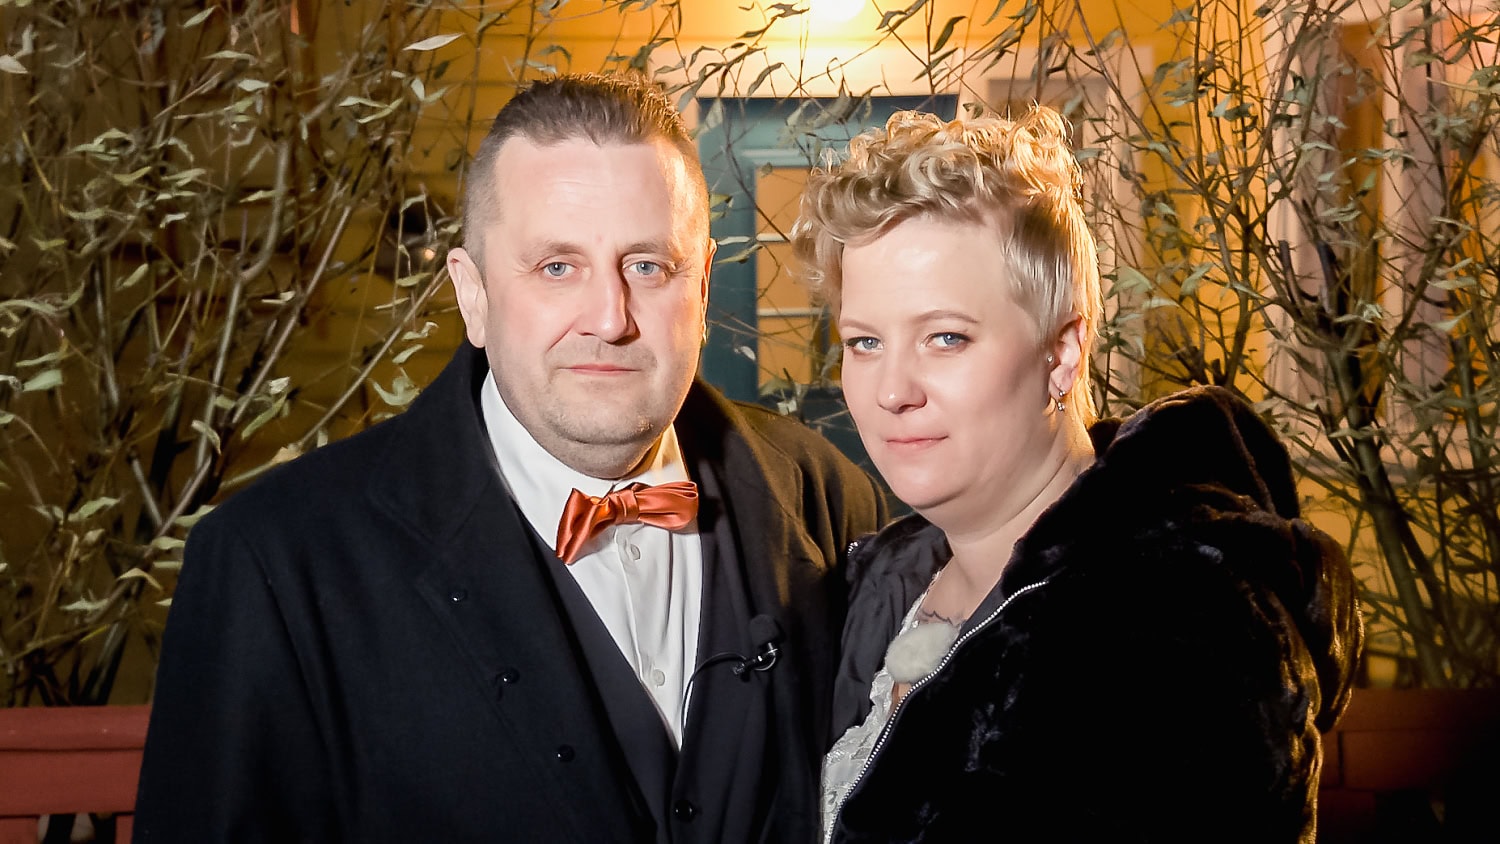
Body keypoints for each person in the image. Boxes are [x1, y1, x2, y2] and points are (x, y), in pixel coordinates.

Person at [133, 73, 887, 843]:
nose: (609, 319)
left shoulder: (826, 497)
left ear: (700, 290)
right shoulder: (272, 563)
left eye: (648, 266)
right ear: (474, 295)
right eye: (557, 267)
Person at [791, 107, 1364, 842]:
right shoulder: (878, 581)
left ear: (1060, 354)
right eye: (865, 342)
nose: (892, 391)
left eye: (946, 337)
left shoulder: (1175, 629)